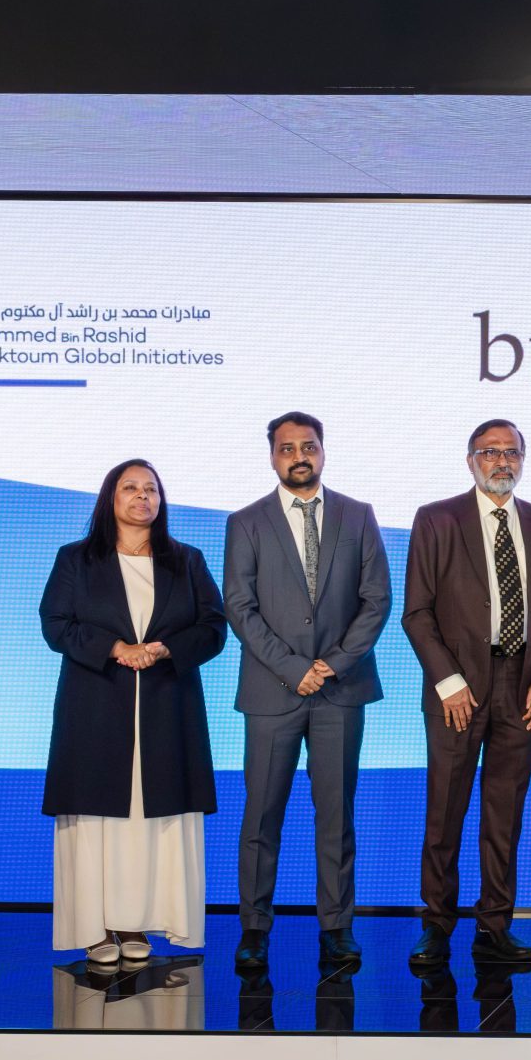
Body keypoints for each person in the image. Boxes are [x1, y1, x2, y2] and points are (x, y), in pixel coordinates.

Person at [222, 412, 391, 975]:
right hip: (273, 691)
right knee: (261, 816)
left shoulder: (358, 515)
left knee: (336, 816)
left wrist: (332, 665)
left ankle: (337, 926)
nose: (300, 456)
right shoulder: (246, 522)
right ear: (272, 456)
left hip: (341, 690)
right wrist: (295, 668)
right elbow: (239, 607)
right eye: (288, 448)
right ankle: (254, 929)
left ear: (323, 451)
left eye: (309, 446)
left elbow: (377, 600)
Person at [40, 460, 226, 969]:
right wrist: (115, 647)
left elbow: (213, 628)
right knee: (98, 820)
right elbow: (55, 623)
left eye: (152, 489)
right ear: (111, 498)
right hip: (95, 708)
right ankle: (95, 927)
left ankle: (135, 921)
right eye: (131, 488)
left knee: (150, 820)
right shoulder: (76, 558)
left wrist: (166, 649)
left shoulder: (186, 560)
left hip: (169, 709)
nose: (143, 497)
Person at [401, 418, 531, 972]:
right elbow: (417, 612)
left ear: (524, 459)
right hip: (459, 687)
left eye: (511, 452)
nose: (502, 462)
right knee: (445, 809)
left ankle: (495, 924)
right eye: (490, 452)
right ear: (470, 460)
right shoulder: (437, 519)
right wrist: (448, 682)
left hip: (524, 686)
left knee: (504, 813)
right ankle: (436, 925)